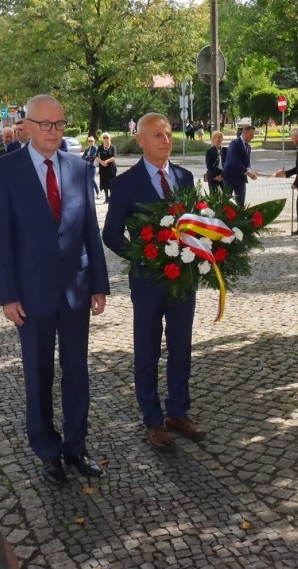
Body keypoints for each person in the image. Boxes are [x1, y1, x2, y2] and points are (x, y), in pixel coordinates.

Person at [0, 94, 110, 487]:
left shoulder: (78, 167)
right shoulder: (5, 171)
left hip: (75, 288)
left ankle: (76, 446)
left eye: (60, 124)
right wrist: (7, 295)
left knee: (77, 373)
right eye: (46, 125)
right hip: (31, 292)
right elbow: (1, 238)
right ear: (26, 125)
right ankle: (47, 451)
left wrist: (99, 284)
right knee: (38, 375)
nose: (54, 132)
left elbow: (89, 229)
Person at [102, 112, 202, 451]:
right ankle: (153, 420)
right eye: (157, 135)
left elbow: (198, 225)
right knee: (147, 351)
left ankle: (178, 411)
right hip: (147, 282)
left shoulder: (185, 177)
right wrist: (142, 255)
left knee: (181, 348)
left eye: (169, 133)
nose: (166, 139)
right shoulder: (126, 184)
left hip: (183, 281)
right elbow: (110, 233)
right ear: (140, 140)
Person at [222, 125, 258, 207]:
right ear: (244, 133)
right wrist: (247, 172)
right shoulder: (234, 143)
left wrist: (250, 170)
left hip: (241, 178)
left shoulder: (248, 147)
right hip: (230, 177)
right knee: (226, 202)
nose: (253, 137)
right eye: (251, 135)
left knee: (240, 203)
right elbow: (234, 161)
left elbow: (247, 162)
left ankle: (240, 218)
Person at [96, 133, 117, 203]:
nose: (105, 139)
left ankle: (112, 198)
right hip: (103, 168)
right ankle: (106, 198)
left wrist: (106, 161)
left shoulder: (113, 147)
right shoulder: (100, 147)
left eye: (107, 137)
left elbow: (114, 157)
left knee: (111, 183)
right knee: (104, 183)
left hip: (111, 168)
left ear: (109, 138)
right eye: (104, 137)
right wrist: (101, 162)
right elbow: (96, 156)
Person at [204, 130, 227, 195]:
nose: (220, 139)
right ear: (213, 139)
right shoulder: (209, 151)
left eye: (221, 138)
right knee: (214, 196)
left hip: (224, 176)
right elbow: (209, 166)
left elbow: (228, 164)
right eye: (218, 137)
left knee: (225, 196)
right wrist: (215, 176)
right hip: (213, 177)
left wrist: (223, 175)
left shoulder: (225, 150)